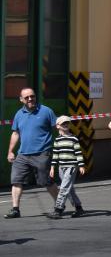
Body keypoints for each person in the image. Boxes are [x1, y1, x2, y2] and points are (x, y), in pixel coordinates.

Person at [6, 88, 60, 218]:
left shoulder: (46, 111)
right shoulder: (19, 114)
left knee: (46, 181)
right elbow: (15, 133)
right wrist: (10, 151)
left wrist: (60, 147)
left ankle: (59, 206)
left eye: (32, 96)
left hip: (42, 153)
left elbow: (58, 129)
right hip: (22, 154)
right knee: (16, 180)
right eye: (27, 97)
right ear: (21, 100)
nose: (30, 99)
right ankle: (15, 209)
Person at [49, 116, 85, 218]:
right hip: (61, 167)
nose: (66, 125)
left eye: (67, 123)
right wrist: (52, 167)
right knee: (69, 189)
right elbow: (55, 154)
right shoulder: (57, 140)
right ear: (57, 126)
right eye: (63, 123)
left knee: (64, 188)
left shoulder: (73, 138)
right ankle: (79, 208)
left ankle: (58, 209)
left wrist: (81, 165)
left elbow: (78, 152)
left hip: (71, 166)